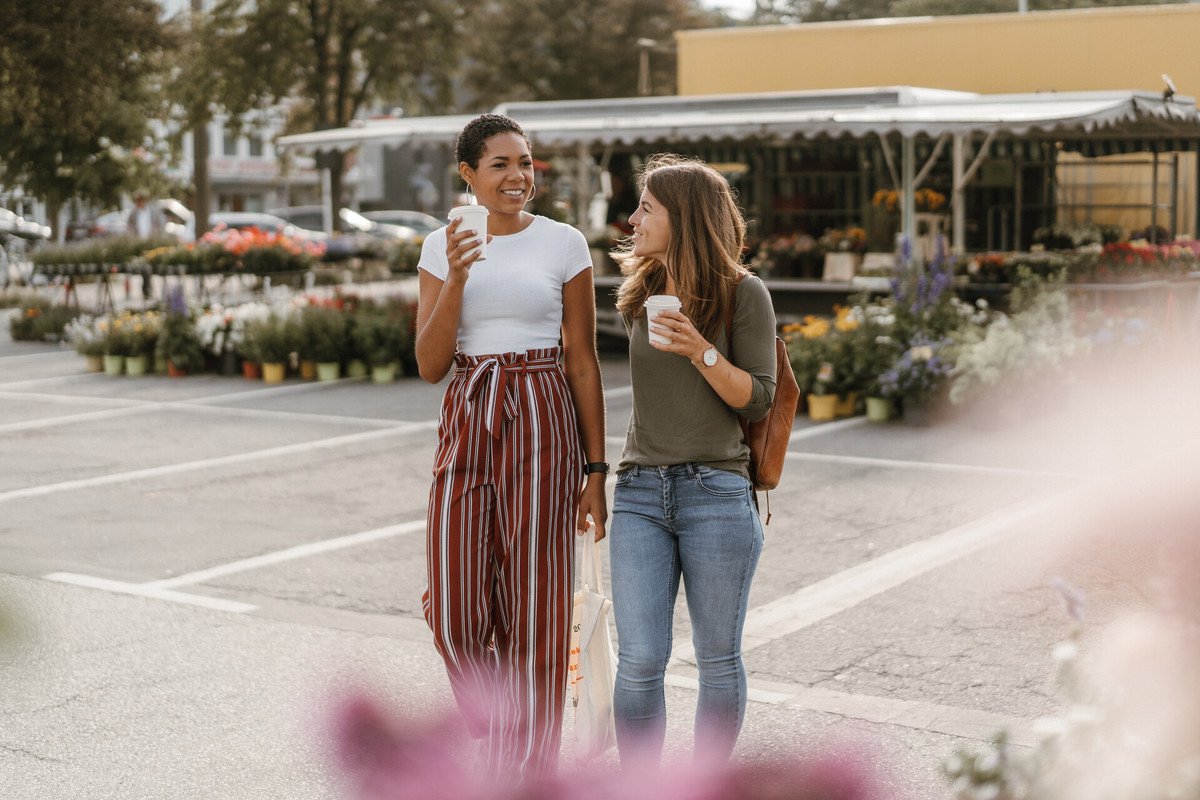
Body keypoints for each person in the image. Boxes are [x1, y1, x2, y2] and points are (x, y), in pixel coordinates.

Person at [414, 113, 609, 781]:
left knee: (538, 605)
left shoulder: (565, 243)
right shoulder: (442, 248)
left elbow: (583, 360)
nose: (518, 175)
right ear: (468, 174)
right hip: (471, 405)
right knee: (453, 612)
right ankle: (499, 721)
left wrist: (595, 471)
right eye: (500, 163)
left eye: (525, 162)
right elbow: (430, 363)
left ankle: (525, 771)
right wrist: (461, 276)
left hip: (543, 409)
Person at [608, 154, 778, 769]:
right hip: (639, 494)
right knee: (641, 658)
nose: (632, 219)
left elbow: (758, 396)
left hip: (717, 491)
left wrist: (702, 351)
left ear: (685, 218)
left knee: (717, 657)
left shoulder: (744, 294)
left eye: (646, 208)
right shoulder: (640, 292)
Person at [127, 190, 166, 299]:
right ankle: (147, 289)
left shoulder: (153, 211)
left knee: (150, 266)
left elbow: (160, 225)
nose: (138, 203)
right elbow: (129, 227)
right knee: (144, 267)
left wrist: (156, 234)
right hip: (139, 243)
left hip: (151, 242)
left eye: (140, 200)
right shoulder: (134, 213)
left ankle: (148, 288)